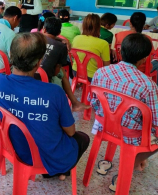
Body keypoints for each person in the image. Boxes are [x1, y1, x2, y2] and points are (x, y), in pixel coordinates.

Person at [0, 32, 90, 180]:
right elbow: (70, 131)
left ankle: (55, 170)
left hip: (14, 148)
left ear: (11, 55)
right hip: (44, 155)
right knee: (83, 138)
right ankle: (56, 171)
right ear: (39, 62)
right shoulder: (54, 92)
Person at [89, 33, 158, 191]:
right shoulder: (148, 85)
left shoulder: (101, 72)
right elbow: (156, 121)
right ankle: (129, 166)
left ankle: (114, 161)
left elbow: (92, 100)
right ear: (144, 59)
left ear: (120, 52)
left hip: (104, 124)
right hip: (130, 134)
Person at [40, 17, 90, 112]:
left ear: (44, 29)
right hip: (46, 78)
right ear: (59, 33)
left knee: (61, 71)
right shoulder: (61, 46)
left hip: (29, 73)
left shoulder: (34, 38)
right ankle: (72, 104)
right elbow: (55, 72)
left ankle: (74, 103)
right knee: (61, 72)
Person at [72, 14, 110, 81]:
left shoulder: (76, 38)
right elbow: (106, 66)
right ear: (99, 27)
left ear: (83, 26)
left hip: (75, 72)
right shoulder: (103, 43)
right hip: (94, 76)